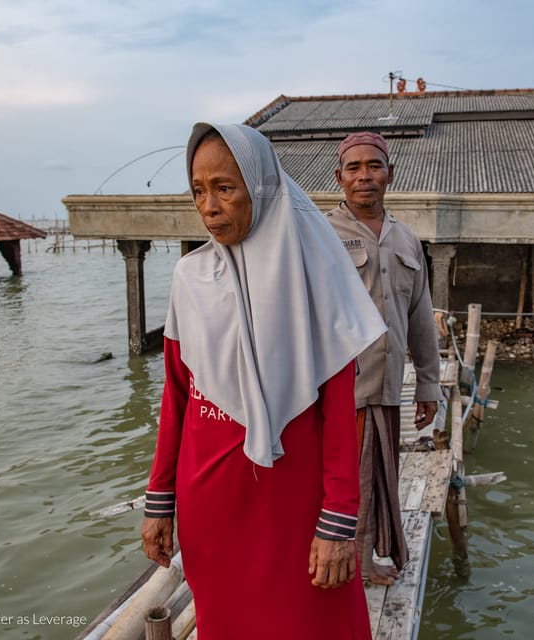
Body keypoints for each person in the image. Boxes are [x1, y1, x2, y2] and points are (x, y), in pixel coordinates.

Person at [141, 122, 386, 640]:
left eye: (225, 188)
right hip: (209, 506)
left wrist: (339, 522)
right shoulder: (189, 278)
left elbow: (340, 411)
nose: (209, 207)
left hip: (293, 510)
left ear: (263, 187)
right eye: (198, 191)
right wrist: (159, 501)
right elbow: (177, 397)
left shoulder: (315, 274)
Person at [325, 131, 442, 586]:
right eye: (353, 168)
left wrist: (429, 384)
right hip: (338, 388)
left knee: (378, 474)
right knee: (342, 478)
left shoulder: (407, 240)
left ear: (389, 174)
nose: (364, 176)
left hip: (388, 385)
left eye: (374, 166)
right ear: (339, 177)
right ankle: (348, 560)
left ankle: (365, 558)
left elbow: (420, 319)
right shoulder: (321, 235)